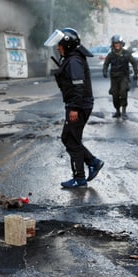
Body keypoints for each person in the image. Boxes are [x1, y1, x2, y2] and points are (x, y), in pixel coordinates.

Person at [43, 27, 104, 188]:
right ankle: (92, 163)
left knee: (71, 139)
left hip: (79, 105)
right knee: (69, 138)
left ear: (68, 45)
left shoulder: (74, 61)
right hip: (78, 104)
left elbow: (78, 86)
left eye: (60, 44)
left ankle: (81, 177)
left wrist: (74, 108)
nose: (58, 47)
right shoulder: (72, 58)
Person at [102, 35, 138, 119]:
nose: (117, 45)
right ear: (113, 44)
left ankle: (124, 111)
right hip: (114, 78)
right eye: (116, 44)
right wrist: (104, 71)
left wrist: (136, 73)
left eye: (119, 43)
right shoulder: (111, 54)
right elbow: (106, 64)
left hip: (124, 77)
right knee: (115, 94)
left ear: (122, 44)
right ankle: (117, 111)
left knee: (123, 92)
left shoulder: (126, 53)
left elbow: (134, 62)